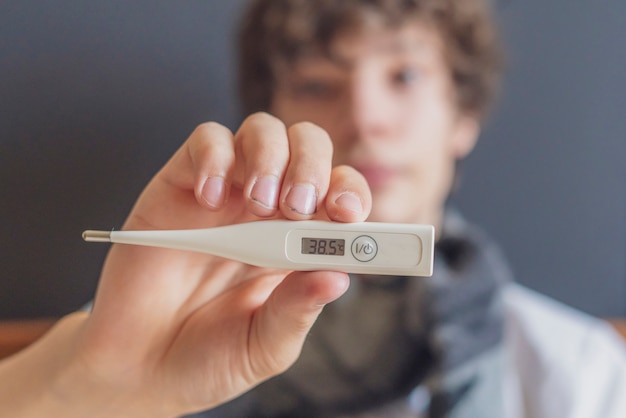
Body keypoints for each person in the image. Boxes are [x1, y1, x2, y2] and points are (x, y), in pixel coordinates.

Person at [1, 1, 625, 417]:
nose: (364, 119)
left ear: (463, 117)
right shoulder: (135, 334)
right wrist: (84, 385)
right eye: (319, 85)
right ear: (270, 114)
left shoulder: (580, 374)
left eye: (403, 75)